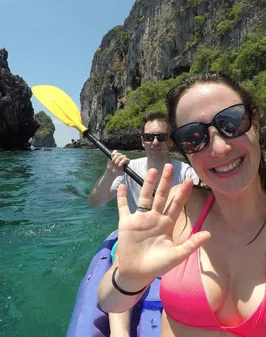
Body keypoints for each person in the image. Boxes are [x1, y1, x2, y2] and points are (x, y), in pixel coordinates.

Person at [97, 72, 266, 337]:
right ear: (185, 152)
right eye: (194, 137)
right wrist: (129, 277)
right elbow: (111, 302)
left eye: (232, 122)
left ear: (256, 124)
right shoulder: (177, 210)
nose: (218, 148)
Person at [88, 110, 199, 337]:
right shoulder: (128, 169)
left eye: (160, 136)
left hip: (174, 239)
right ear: (142, 141)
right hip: (137, 240)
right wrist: (109, 173)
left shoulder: (186, 172)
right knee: (123, 256)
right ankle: (120, 334)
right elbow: (95, 202)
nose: (155, 142)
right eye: (149, 137)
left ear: (170, 141)